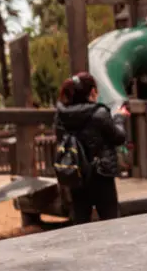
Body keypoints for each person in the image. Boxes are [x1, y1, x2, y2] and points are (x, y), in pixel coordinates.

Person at [54, 72, 127, 224]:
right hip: (101, 173)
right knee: (111, 221)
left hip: (76, 172)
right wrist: (119, 118)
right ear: (92, 92)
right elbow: (118, 137)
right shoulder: (99, 113)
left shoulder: (61, 116)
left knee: (81, 222)